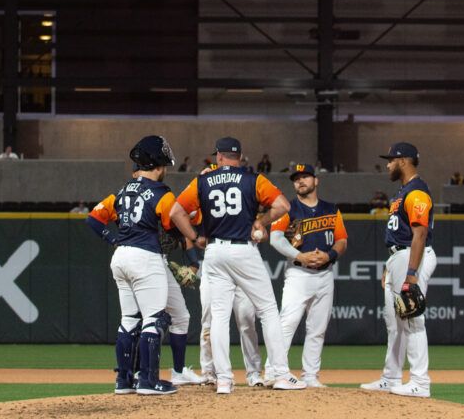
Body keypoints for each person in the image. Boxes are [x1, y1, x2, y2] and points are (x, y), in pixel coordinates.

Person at [169, 136, 305, 394]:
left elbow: (176, 212)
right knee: (267, 310)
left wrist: (195, 236)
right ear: (240, 157)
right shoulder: (254, 180)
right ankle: (281, 374)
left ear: (219, 157)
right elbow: (283, 205)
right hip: (244, 249)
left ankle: (223, 379)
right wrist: (261, 222)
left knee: (218, 317)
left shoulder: (203, 180)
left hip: (215, 251)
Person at [86, 135, 180, 396]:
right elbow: (172, 224)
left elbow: (93, 219)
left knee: (128, 320)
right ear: (159, 165)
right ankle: (149, 381)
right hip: (145, 257)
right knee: (154, 319)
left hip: (120, 257)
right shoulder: (162, 192)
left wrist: (113, 239)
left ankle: (124, 381)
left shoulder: (122, 191)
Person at [361, 142, 436, 399]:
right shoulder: (403, 191)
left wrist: (411, 273)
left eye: (391, 160)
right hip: (398, 256)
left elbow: (420, 234)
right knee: (394, 322)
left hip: (411, 256)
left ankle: (420, 382)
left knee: (413, 318)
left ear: (404, 160)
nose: (388, 164)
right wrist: (390, 266)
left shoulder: (416, 192)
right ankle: (391, 377)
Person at [266, 164, 347, 388]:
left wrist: (329, 255)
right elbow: (276, 239)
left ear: (316, 181)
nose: (300, 181)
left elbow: (342, 240)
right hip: (299, 274)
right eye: (297, 179)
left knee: (317, 329)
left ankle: (310, 376)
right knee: (287, 323)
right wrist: (300, 256)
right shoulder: (288, 209)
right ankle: (273, 372)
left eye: (305, 177)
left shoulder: (331, 209)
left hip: (325, 274)